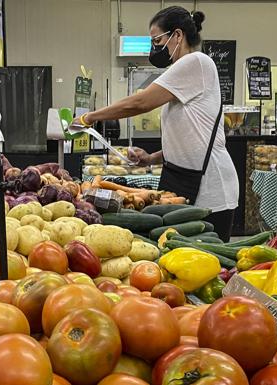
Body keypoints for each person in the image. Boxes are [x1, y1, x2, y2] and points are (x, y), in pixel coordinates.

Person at [69, 6, 239, 241]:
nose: (154, 47)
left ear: (177, 35)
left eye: (157, 40)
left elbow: (139, 102)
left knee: (207, 260)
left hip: (210, 186)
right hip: (182, 178)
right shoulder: (183, 71)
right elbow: (190, 137)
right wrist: (151, 158)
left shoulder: (196, 62)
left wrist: (90, 117)